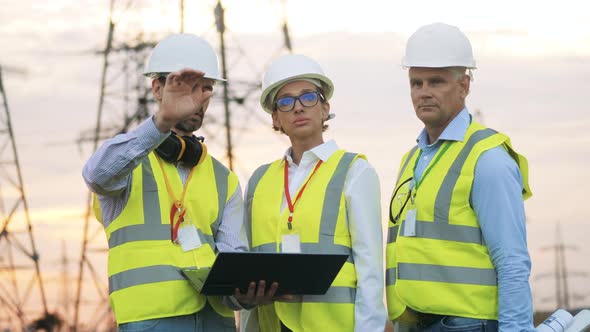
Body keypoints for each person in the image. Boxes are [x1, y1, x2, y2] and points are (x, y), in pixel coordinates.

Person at [82, 33, 249, 331]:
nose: (195, 99)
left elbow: (232, 263)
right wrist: (161, 122)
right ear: (157, 87)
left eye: (205, 89)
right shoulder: (127, 162)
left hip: (216, 323)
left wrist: (246, 296)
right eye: (187, 87)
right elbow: (96, 175)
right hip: (150, 323)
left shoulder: (224, 179)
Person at [385, 23, 534, 331]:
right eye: (416, 83)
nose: (423, 92)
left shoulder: (487, 158)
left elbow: (512, 261)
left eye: (436, 82)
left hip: (468, 324)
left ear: (464, 86)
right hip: (417, 323)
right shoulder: (411, 160)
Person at [239, 54, 388, 332]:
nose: (298, 108)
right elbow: (250, 262)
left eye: (308, 97)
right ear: (276, 118)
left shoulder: (355, 172)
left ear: (324, 108)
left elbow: (370, 271)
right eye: (286, 102)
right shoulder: (259, 181)